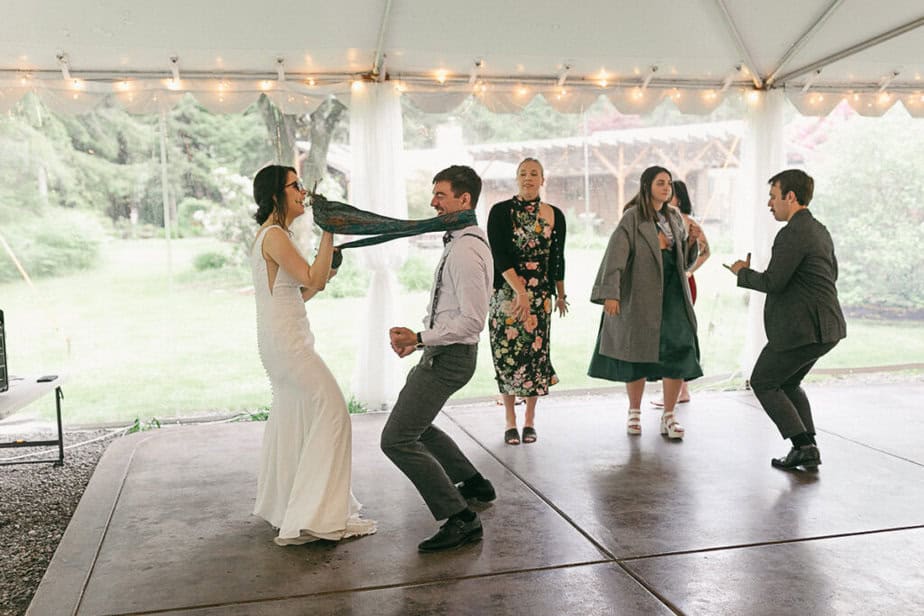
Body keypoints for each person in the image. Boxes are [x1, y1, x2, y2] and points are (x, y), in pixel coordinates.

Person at [250, 164, 376, 545]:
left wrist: (326, 266)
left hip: (281, 341)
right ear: (277, 195)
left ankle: (291, 505)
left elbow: (301, 291)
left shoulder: (271, 236)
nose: (303, 191)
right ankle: (317, 512)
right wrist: (330, 228)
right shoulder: (274, 235)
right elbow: (312, 277)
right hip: (289, 345)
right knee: (335, 413)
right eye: (295, 186)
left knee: (296, 418)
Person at [384, 165, 496, 552]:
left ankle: (461, 518)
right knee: (419, 424)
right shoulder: (460, 241)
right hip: (441, 352)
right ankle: (473, 484)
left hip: (449, 357)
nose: (433, 202)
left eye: (441, 195)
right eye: (433, 194)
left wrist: (419, 338)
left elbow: (472, 321)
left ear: (464, 200)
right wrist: (419, 342)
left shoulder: (466, 249)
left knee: (396, 438)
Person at [726, 169, 845, 470]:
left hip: (802, 329)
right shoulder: (819, 229)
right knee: (790, 383)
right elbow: (831, 274)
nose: (770, 204)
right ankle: (809, 447)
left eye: (773, 196)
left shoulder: (793, 232)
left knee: (763, 381)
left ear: (790, 197)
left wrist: (741, 271)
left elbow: (774, 282)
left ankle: (803, 445)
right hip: (827, 326)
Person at [588, 166, 703, 439]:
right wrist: (611, 294)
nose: (666, 188)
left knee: (678, 349)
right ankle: (634, 412)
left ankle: (669, 415)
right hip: (640, 295)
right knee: (635, 352)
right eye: (660, 183)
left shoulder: (674, 217)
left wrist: (692, 244)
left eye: (668, 184)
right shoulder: (632, 217)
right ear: (647, 185)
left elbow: (683, 262)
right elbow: (615, 256)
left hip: (674, 295)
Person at [487, 157, 567, 445]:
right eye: (523, 173)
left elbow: (557, 257)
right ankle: (510, 419)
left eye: (534, 174)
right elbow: (499, 255)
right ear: (516, 179)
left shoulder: (554, 214)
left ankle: (530, 420)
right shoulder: (500, 212)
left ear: (543, 179)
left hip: (540, 294)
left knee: (536, 355)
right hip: (507, 291)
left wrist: (561, 293)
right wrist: (519, 290)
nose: (528, 178)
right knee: (506, 353)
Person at [653, 179, 710, 407]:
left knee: (677, 334)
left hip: (682, 282)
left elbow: (706, 252)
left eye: (671, 192)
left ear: (679, 198)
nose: (665, 195)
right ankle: (680, 389)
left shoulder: (685, 221)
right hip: (664, 282)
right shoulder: (662, 219)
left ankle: (678, 390)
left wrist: (688, 271)